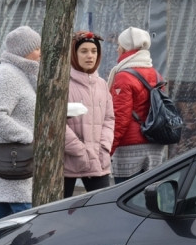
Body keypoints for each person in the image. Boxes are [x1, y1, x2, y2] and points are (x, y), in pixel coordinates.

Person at [0, 26, 40, 227]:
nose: (41, 52)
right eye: (37, 48)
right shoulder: (7, 75)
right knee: (30, 220)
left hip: (16, 154)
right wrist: (26, 137)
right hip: (13, 156)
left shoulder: (20, 73)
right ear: (23, 50)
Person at [107, 27, 168, 183]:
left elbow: (120, 117)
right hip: (155, 145)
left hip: (130, 149)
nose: (117, 48)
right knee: (149, 198)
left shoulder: (123, 76)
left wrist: (108, 150)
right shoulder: (155, 74)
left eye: (119, 45)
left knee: (126, 199)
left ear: (126, 48)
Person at [63, 31, 114, 197]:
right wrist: (79, 150)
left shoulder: (101, 84)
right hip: (68, 161)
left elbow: (109, 119)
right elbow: (57, 124)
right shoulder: (62, 84)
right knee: (58, 213)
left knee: (103, 209)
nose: (90, 56)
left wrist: (104, 146)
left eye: (94, 51)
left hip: (99, 159)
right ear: (73, 54)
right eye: (84, 51)